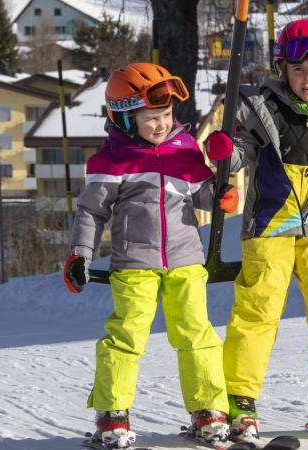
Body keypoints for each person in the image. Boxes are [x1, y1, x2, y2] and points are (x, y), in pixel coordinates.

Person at [62, 62, 239, 449]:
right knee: (126, 338)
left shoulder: (185, 149)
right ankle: (113, 413)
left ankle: (208, 409)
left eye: (166, 115)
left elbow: (206, 196)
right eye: (151, 118)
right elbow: (91, 212)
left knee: (197, 335)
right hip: (134, 266)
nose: (161, 124)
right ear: (124, 117)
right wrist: (80, 254)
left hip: (186, 262)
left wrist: (223, 189)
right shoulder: (110, 162)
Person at [203, 19, 308, 437]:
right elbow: (239, 154)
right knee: (258, 313)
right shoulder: (261, 108)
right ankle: (240, 401)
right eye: (297, 70)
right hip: (270, 228)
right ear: (282, 69)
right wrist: (224, 151)